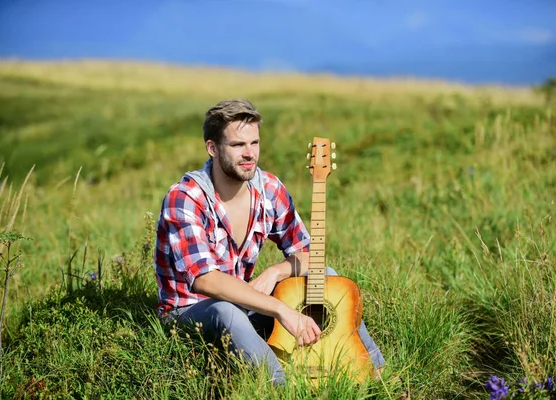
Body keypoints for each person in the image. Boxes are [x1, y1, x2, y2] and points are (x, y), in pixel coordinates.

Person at [153, 99, 384, 385]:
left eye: (254, 143)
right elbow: (205, 281)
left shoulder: (270, 189)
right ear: (212, 148)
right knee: (224, 310)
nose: (249, 154)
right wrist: (279, 309)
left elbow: (311, 254)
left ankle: (377, 375)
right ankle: (282, 387)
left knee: (327, 278)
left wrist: (276, 272)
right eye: (238, 145)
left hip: (244, 304)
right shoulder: (185, 198)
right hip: (190, 313)